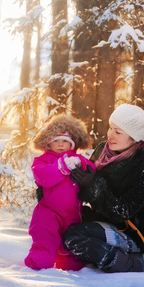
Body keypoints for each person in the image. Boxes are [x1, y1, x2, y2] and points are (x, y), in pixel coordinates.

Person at [62, 104, 144, 273]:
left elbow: (121, 211)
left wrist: (93, 184)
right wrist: (54, 189)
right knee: (62, 220)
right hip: (103, 220)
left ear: (135, 138)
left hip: (131, 232)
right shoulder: (103, 151)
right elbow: (82, 185)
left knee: (74, 236)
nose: (110, 135)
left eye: (118, 132)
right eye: (111, 128)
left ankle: (131, 262)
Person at [25, 114, 96, 271]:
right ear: (48, 143)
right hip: (48, 212)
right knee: (45, 240)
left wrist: (82, 164)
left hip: (72, 214)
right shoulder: (42, 161)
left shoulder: (77, 158)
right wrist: (61, 167)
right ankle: (37, 266)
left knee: (70, 248)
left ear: (72, 144)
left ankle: (73, 270)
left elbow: (92, 168)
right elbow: (43, 177)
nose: (60, 145)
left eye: (65, 141)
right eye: (56, 140)